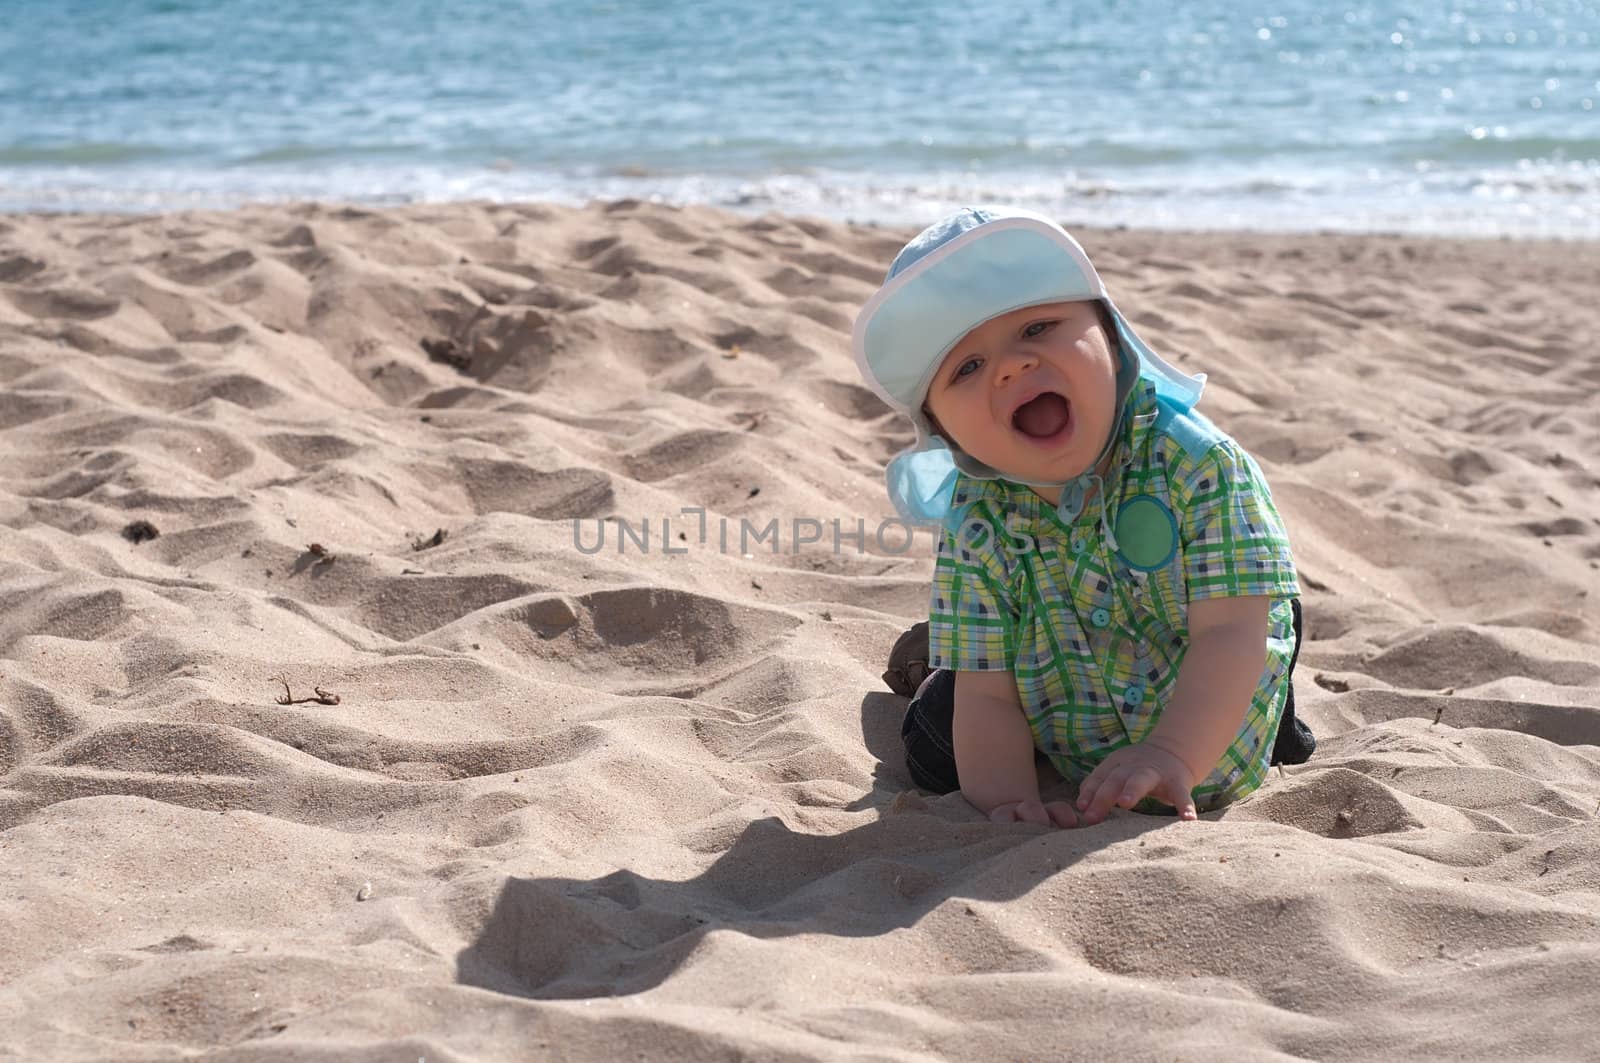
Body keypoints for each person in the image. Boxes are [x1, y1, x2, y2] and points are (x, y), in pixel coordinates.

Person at [852, 206, 1314, 828]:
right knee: (937, 747)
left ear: (1114, 338)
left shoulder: (1198, 464)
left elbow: (1232, 634)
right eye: (966, 367)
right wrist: (1011, 803)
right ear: (943, 431)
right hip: (1055, 700)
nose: (1012, 365)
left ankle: (1272, 716)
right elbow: (989, 695)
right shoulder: (978, 519)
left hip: (1212, 658)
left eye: (1038, 326)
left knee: (1255, 605)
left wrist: (1170, 752)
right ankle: (938, 655)